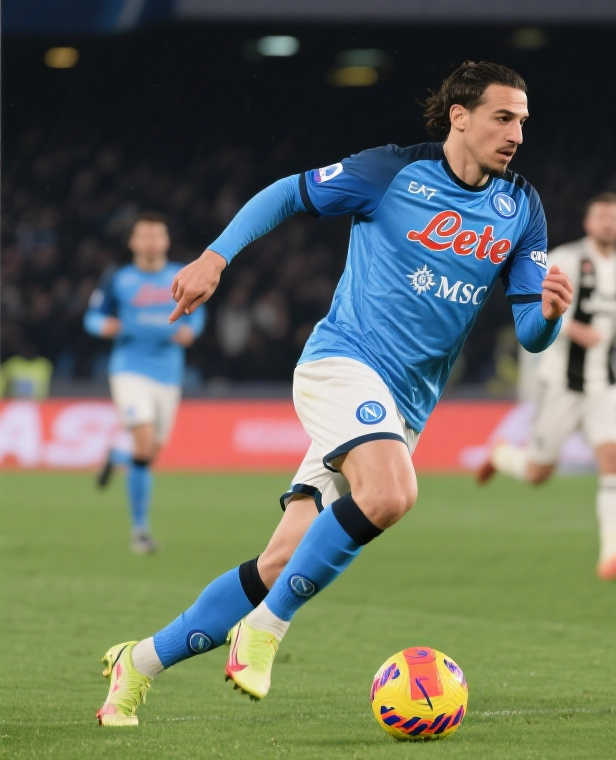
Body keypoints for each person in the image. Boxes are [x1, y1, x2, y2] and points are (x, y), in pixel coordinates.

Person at [96, 60, 573, 726]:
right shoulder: (391, 172)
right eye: (503, 117)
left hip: (404, 407)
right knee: (392, 493)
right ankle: (265, 628)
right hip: (342, 366)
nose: (517, 133)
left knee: (281, 559)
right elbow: (287, 194)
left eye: (522, 120)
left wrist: (550, 315)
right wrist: (215, 256)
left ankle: (139, 663)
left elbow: (531, 333)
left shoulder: (521, 207)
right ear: (460, 117)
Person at [476, 193, 616, 580]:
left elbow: (614, 320)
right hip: (561, 383)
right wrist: (574, 330)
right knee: (537, 473)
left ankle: (612, 557)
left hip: (606, 384)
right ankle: (501, 455)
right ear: (588, 223)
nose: (608, 223)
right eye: (601, 216)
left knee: (613, 459)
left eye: (615, 217)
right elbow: (538, 309)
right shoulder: (564, 259)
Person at [84, 212, 205, 554]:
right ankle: (140, 531)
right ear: (133, 242)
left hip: (168, 374)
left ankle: (116, 456)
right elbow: (92, 316)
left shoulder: (181, 276)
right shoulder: (118, 279)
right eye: (145, 236)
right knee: (144, 442)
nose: (151, 242)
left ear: (166, 241)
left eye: (157, 236)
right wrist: (105, 327)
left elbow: (198, 314)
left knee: (149, 451)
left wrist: (191, 331)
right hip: (129, 370)